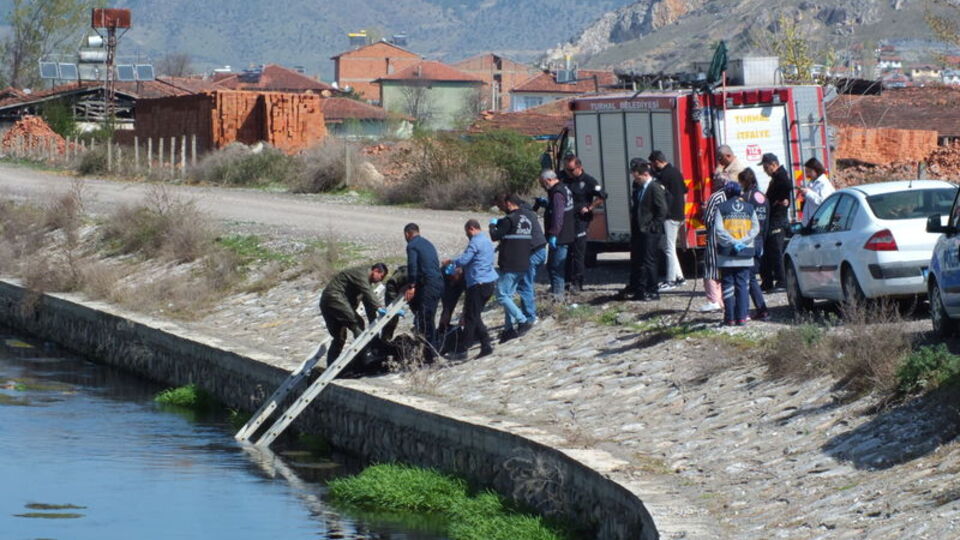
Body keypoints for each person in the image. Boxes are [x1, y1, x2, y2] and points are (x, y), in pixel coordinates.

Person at [442, 219, 498, 360]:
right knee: (475, 314)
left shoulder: (475, 242)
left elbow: (464, 260)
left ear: (471, 228)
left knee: (471, 316)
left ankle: (464, 348)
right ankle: (485, 345)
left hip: (478, 283)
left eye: (467, 232)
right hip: (489, 282)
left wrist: (451, 262)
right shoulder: (487, 241)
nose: (467, 235)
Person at [319, 263, 388, 366]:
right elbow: (368, 293)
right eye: (381, 276)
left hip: (327, 302)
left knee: (339, 337)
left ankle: (331, 365)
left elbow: (368, 304)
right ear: (376, 271)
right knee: (357, 323)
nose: (380, 280)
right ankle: (366, 355)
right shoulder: (361, 274)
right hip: (334, 298)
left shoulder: (364, 282)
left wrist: (374, 324)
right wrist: (379, 307)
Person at [713, 182, 760, 326]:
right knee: (743, 285)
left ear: (726, 193)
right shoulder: (749, 207)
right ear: (740, 192)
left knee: (728, 285)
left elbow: (719, 229)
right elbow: (756, 228)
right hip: (745, 252)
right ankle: (742, 317)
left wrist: (733, 241)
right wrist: (743, 241)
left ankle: (730, 318)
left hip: (727, 253)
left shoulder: (721, 208)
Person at [490, 194, 534, 343]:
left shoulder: (509, 220)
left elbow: (494, 236)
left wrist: (492, 225)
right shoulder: (526, 219)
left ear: (509, 203)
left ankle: (523, 320)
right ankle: (508, 330)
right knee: (508, 296)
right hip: (524, 264)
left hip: (510, 265)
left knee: (501, 295)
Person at [559, 155, 606, 293]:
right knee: (566, 252)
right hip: (566, 220)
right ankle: (565, 281)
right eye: (566, 169)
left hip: (580, 220)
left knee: (578, 253)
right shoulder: (562, 177)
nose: (568, 172)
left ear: (579, 167)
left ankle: (577, 283)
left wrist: (590, 207)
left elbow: (602, 196)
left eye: (571, 170)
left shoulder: (588, 181)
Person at [623, 158, 667, 301]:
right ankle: (640, 288)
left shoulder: (654, 187)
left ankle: (653, 290)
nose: (636, 180)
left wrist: (653, 225)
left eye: (638, 177)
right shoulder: (639, 188)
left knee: (650, 261)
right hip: (639, 230)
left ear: (645, 174)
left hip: (650, 231)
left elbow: (662, 209)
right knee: (638, 260)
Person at [649, 150, 687, 290]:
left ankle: (670, 280)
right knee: (666, 246)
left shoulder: (664, 175)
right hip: (679, 214)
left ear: (657, 162)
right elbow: (685, 191)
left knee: (669, 248)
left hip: (670, 216)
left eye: (652, 164)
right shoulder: (676, 172)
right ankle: (679, 277)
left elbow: (659, 195)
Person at [535, 169, 575, 301]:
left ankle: (558, 298)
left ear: (548, 180)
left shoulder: (557, 193)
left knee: (555, 268)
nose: (542, 186)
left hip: (561, 237)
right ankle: (558, 294)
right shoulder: (564, 188)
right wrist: (547, 204)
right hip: (566, 234)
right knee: (554, 267)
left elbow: (558, 216)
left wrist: (554, 234)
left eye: (543, 183)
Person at [403, 223, 444, 348]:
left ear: (407, 234)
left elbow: (412, 266)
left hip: (429, 284)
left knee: (425, 319)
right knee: (427, 317)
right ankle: (429, 346)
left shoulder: (412, 245)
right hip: (438, 282)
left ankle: (430, 351)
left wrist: (411, 286)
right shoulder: (428, 243)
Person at [738, 168, 770, 321]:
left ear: (744, 181)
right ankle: (760, 310)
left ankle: (759, 311)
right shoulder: (763, 196)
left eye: (740, 182)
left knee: (748, 277)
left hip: (749, 240)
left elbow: (742, 221)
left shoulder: (746, 197)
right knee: (750, 276)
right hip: (760, 240)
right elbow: (767, 220)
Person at [760, 153, 791, 292]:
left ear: (773, 164)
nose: (765, 171)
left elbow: (787, 186)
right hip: (773, 218)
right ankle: (769, 281)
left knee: (776, 250)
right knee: (769, 250)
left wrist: (780, 200)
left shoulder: (781, 176)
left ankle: (781, 280)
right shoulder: (776, 177)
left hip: (778, 219)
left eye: (766, 167)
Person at [699, 171, 729, 313]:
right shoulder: (734, 196)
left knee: (711, 268)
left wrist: (704, 211)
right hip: (731, 235)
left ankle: (714, 300)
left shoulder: (715, 197)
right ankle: (725, 300)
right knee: (726, 269)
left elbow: (708, 219)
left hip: (715, 236)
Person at [799, 158, 835, 225]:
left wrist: (808, 193)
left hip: (820, 223)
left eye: (809, 171)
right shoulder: (812, 183)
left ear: (816, 170)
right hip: (810, 222)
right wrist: (805, 195)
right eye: (806, 172)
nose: (807, 174)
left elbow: (823, 202)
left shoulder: (824, 184)